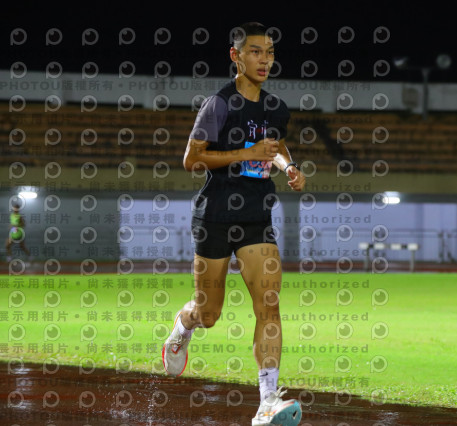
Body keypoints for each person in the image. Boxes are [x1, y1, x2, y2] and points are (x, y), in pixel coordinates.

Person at [162, 22, 305, 426]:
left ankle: (267, 401)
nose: (264, 60)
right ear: (236, 56)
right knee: (209, 313)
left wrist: (288, 165)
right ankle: (183, 325)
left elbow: (276, 145)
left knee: (269, 304)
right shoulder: (219, 105)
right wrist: (246, 153)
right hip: (215, 216)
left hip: (257, 216)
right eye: (256, 52)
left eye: (270, 53)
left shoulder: (276, 107)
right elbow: (192, 160)